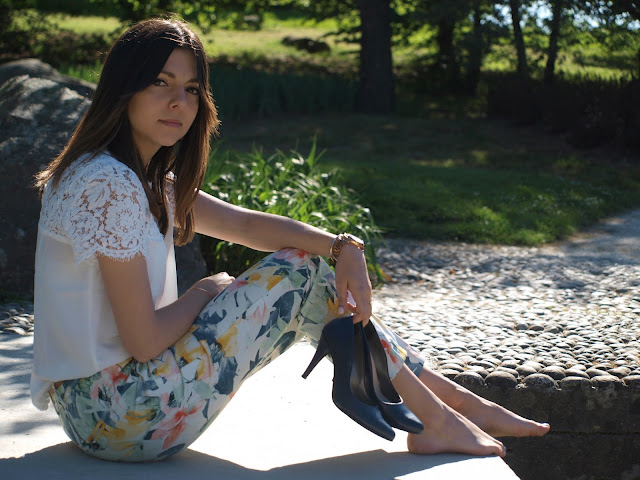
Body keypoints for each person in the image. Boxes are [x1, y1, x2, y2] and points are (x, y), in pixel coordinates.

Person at [31, 17, 549, 463]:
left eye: (191, 89)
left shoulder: (133, 178)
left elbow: (247, 226)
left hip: (106, 412)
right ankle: (442, 413)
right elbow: (143, 340)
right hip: (121, 417)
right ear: (123, 89)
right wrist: (205, 292)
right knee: (303, 273)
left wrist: (345, 247)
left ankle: (447, 406)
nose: (178, 102)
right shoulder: (107, 186)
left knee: (312, 266)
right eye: (160, 83)